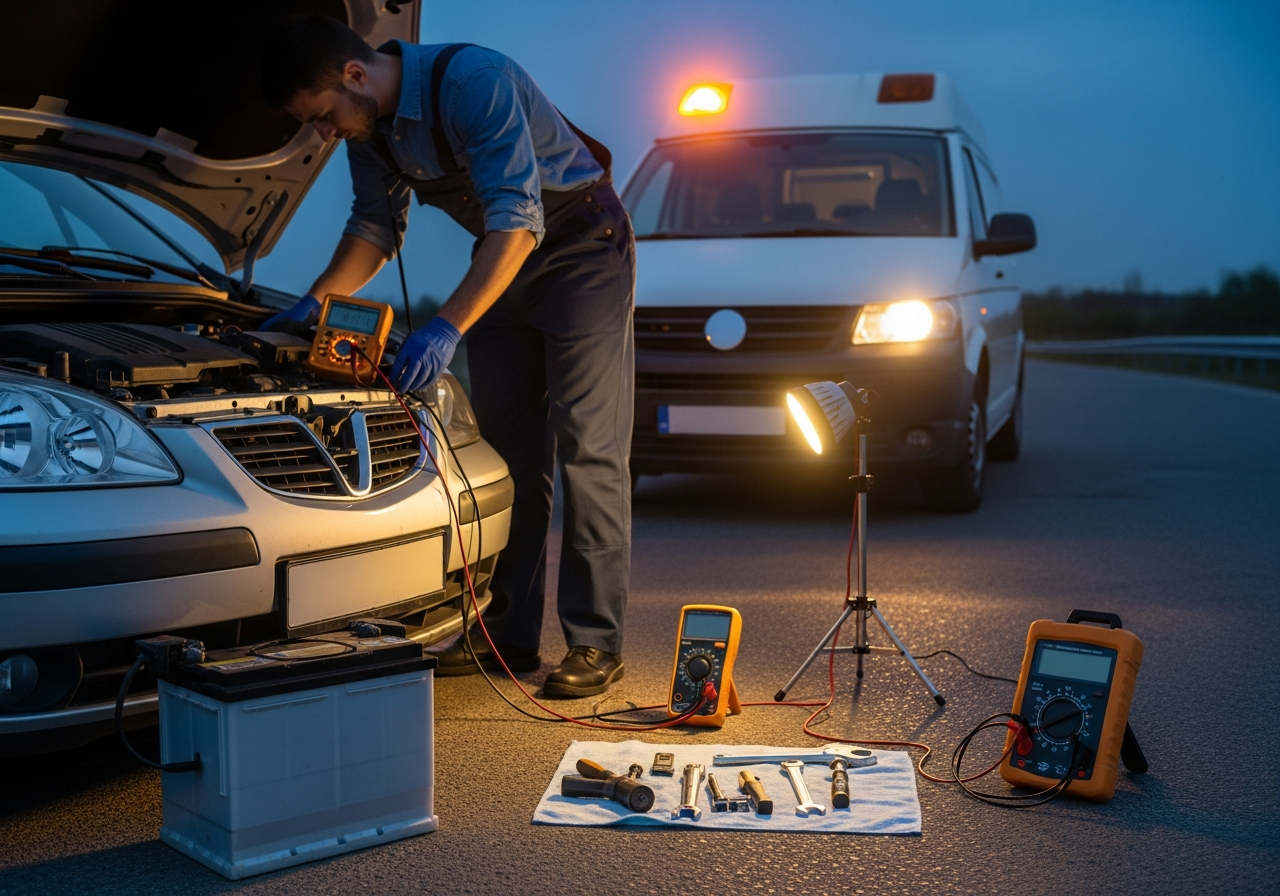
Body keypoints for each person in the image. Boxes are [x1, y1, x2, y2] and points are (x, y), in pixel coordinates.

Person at [260, 15, 634, 698]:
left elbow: (519, 219)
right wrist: (315, 303)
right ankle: (509, 637)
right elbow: (374, 226)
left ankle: (595, 644)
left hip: (581, 247)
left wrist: (445, 327)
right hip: (501, 264)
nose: (324, 133)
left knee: (589, 446)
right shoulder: (367, 128)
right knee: (509, 452)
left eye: (321, 117)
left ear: (354, 76)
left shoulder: (473, 82)